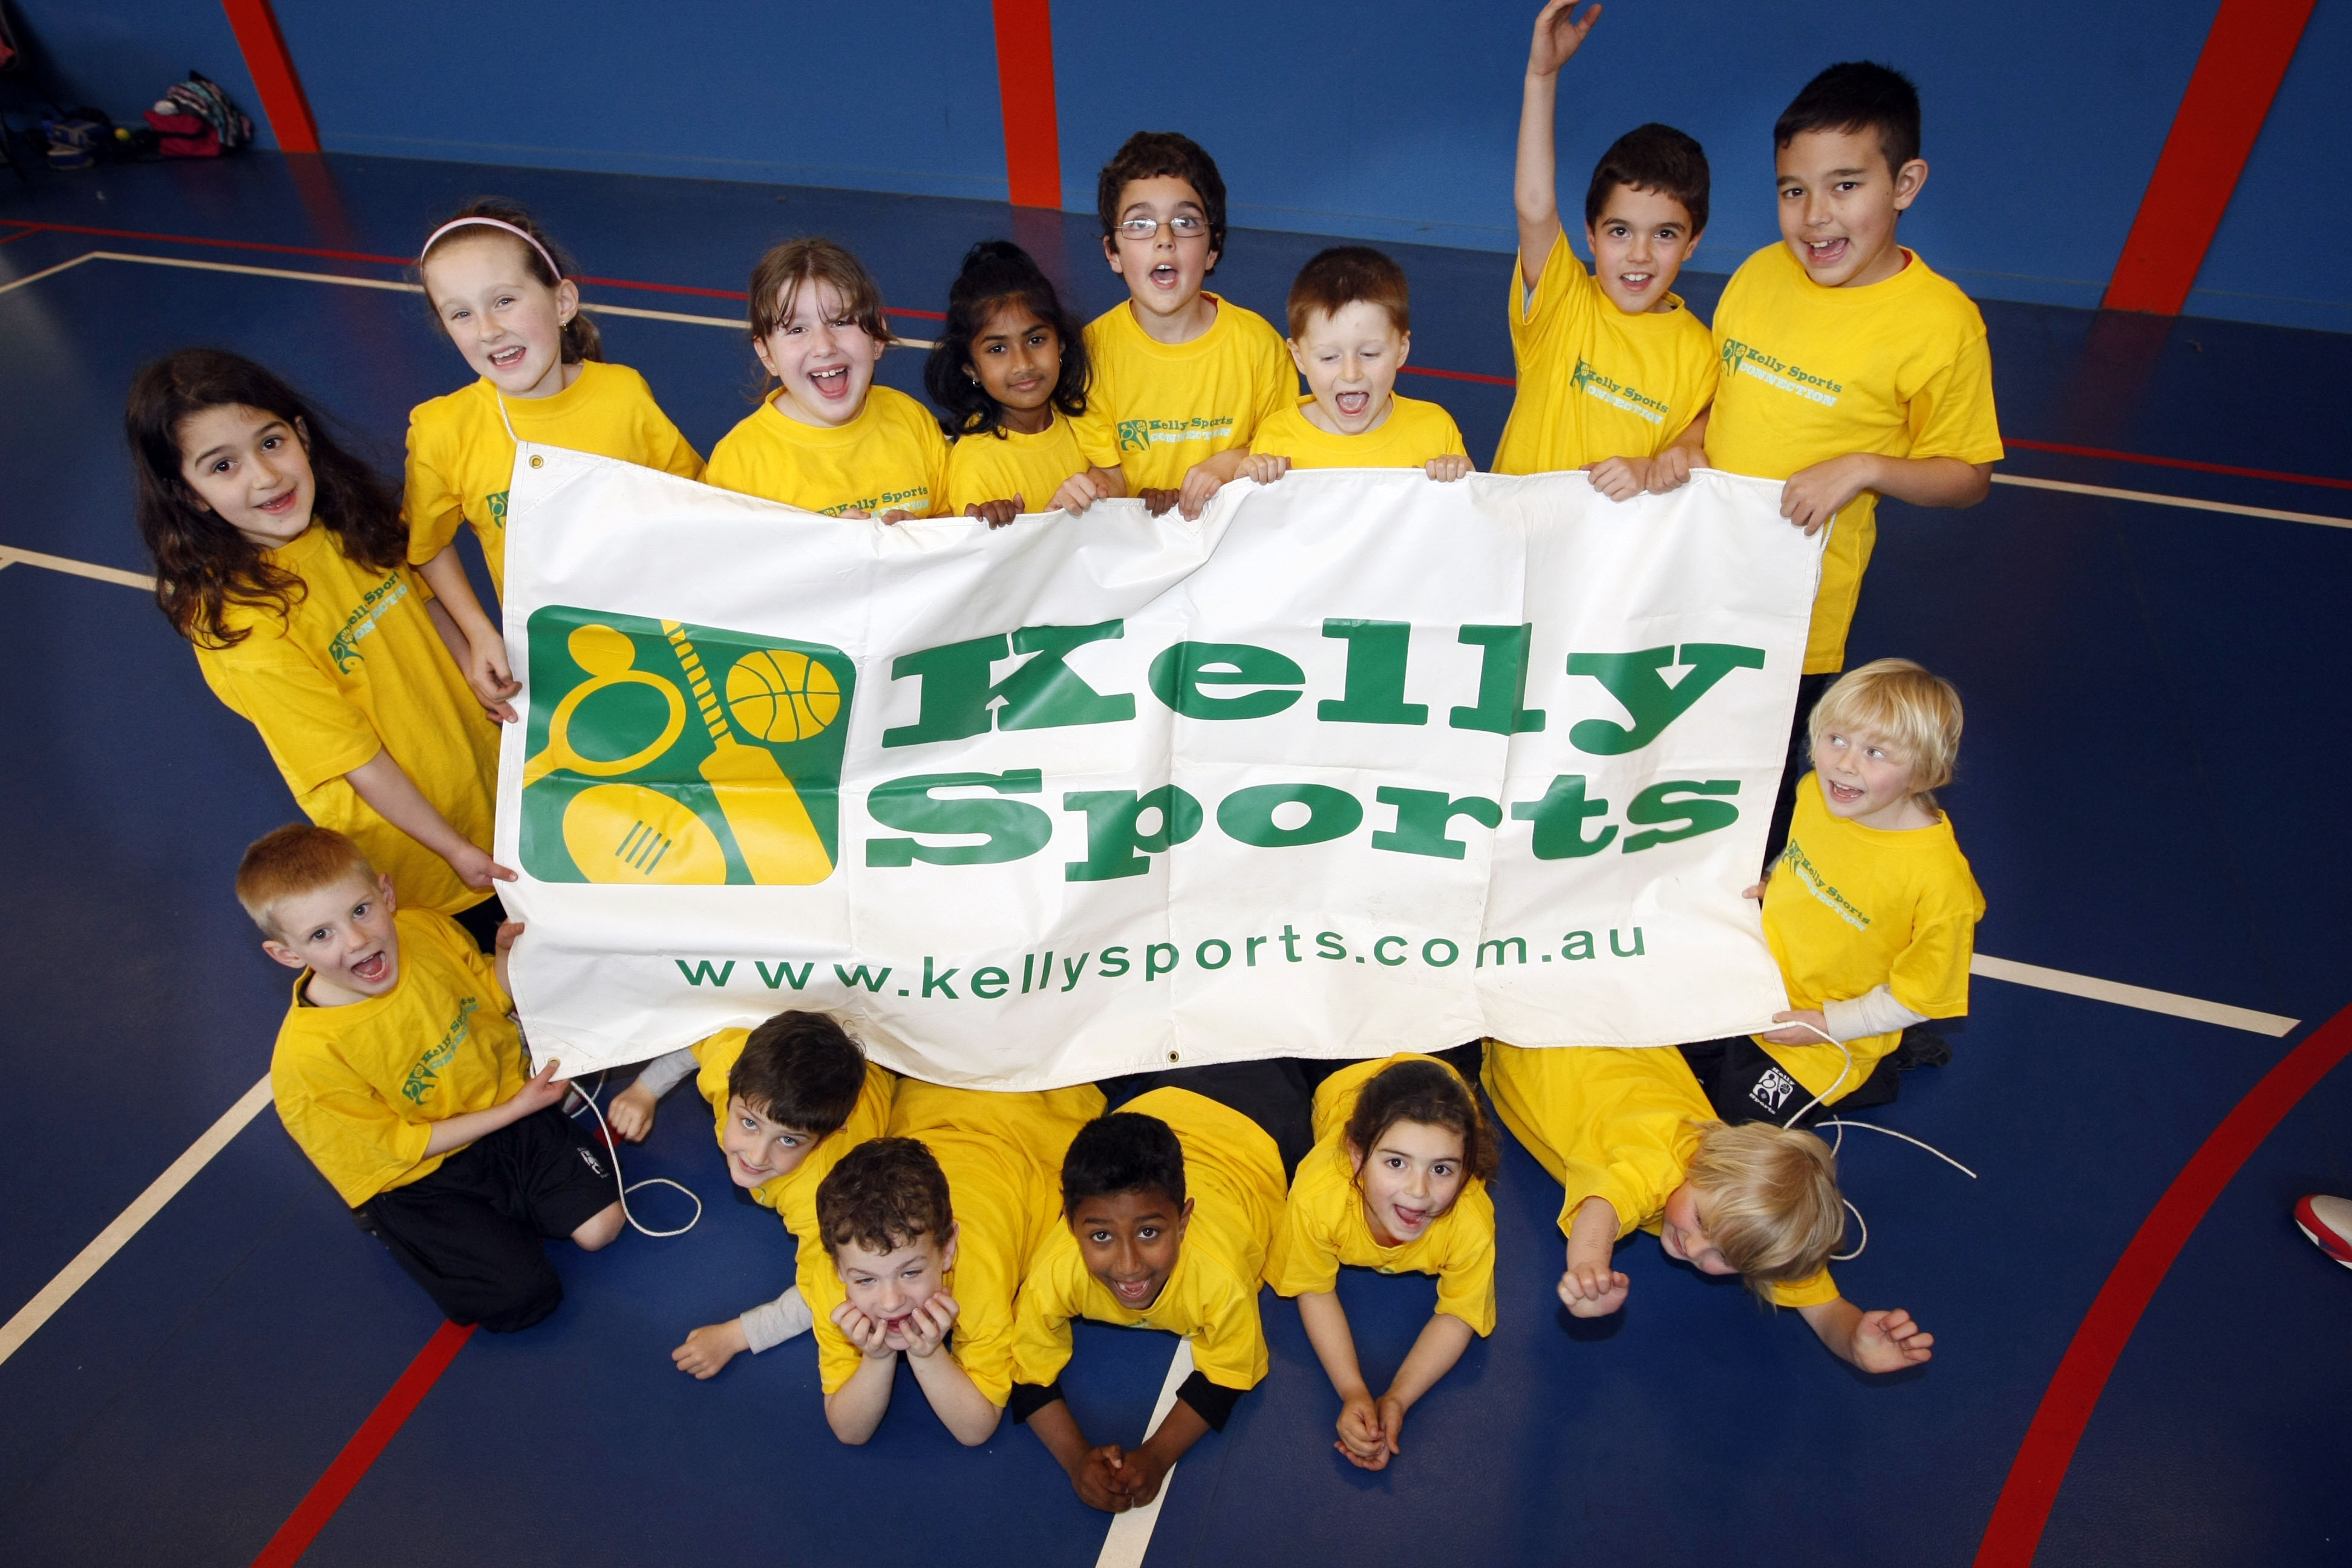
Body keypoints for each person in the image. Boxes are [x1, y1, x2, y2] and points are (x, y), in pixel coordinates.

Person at [1705, 62, 2004, 859]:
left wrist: (1867, 467)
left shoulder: (1941, 325)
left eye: (1845, 186)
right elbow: (1717, 400)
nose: (1815, 217)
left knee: (1761, 784)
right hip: (1697, 577)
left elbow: (1968, 475)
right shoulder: (1760, 273)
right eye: (1793, 190)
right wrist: (1686, 444)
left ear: (1905, 184)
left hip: (1798, 610)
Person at [129, 348, 511, 943]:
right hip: (432, 853)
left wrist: (482, 682)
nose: (265, 476)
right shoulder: (240, 630)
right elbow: (357, 761)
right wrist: (453, 848)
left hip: (493, 783)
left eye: (271, 442)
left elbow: (424, 604)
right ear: (191, 494)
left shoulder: (343, 520)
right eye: (223, 466)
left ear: (301, 436)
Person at [243, 823, 621, 1331]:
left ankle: (506, 1214)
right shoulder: (308, 1062)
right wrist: (515, 1110)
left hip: (502, 1113)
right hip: (422, 1177)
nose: (356, 940)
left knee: (601, 1229)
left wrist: (505, 957)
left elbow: (488, 995)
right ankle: (403, 1227)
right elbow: (403, 1147)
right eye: (320, 935)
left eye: (360, 910)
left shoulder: (422, 931)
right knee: (521, 1300)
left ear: (386, 894)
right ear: (287, 955)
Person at [406, 198, 704, 718]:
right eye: (461, 314)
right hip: (553, 670)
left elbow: (697, 503)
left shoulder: (624, 395)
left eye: (504, 300)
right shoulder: (442, 430)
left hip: (668, 644)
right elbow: (425, 546)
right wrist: (478, 633)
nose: (487, 330)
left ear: (562, 302)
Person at [1483, 1039, 1933, 1372]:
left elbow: (1824, 1307)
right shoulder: (1653, 1165)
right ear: (1702, 1162)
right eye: (1702, 1222)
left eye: (1725, 1257)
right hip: (1527, 1032)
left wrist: (1853, 1342)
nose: (1695, 1248)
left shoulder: (1740, 1207)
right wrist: (1589, 1268)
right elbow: (1601, 1209)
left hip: (1601, 1032)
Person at [1680, 658, 1982, 1120]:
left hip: (1828, 1027)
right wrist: (1776, 879)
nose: (1845, 764)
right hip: (1761, 978)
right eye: (1836, 739)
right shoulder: (1817, 794)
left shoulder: (1938, 882)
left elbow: (1918, 995)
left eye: (1875, 752)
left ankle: (1882, 1063)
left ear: (1922, 772)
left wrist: (1829, 1025)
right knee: (1668, 1051)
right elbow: (1802, 849)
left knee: (1738, 1119)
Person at [1010, 1067, 1296, 1513]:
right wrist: (1075, 1460)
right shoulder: (1055, 1271)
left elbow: (1229, 1372)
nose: (1129, 1266)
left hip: (1261, 1123)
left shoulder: (1219, 1279)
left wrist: (1158, 1455)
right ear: (1070, 1224)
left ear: (1183, 1221)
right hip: (1162, 1097)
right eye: (1101, 1236)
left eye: (1149, 1233)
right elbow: (1027, 1371)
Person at [1494, 1, 1717, 497]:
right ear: (1591, 236)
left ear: (1693, 242)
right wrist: (1542, 75)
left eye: (1664, 234)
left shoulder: (1703, 354)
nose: (1639, 254)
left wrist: (1647, 468)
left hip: (1616, 547)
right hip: (1516, 535)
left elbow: (1687, 462)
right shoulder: (1563, 302)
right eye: (1620, 232)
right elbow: (1534, 205)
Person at [803, 1082, 1104, 1444]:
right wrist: (877, 1358)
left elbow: (975, 1429)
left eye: (911, 1272)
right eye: (866, 1280)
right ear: (837, 1268)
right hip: (937, 1086)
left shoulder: (980, 1269)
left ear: (948, 1249)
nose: (891, 1302)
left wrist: (928, 1354)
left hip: (1045, 1097)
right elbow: (849, 1431)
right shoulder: (831, 1275)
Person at [601, 1011, 896, 1379]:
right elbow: (700, 1045)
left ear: (827, 1137)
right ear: (730, 1080)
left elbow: (826, 1286)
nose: (756, 1157)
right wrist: (645, 1089)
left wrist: (736, 1336)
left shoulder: (827, 1194)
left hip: (886, 1063)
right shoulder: (731, 1059)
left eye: (788, 1140)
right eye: (749, 1123)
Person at [1264, 1055, 1497, 1471]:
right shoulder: (1319, 1198)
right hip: (1344, 1064)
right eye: (1396, 1163)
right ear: (1357, 1157)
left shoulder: (1470, 1220)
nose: (1418, 1192)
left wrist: (1398, 1398)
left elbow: (1459, 1313)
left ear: (1465, 1170)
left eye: (1441, 1169)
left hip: (1442, 1064)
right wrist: (1352, 1389)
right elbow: (1313, 1287)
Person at [1072, 131, 1295, 519]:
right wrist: (1091, 493)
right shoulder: (1091, 353)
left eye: (1185, 221)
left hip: (1233, 539)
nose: (1164, 239)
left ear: (1213, 249)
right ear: (1113, 252)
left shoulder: (1259, 346)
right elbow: (1108, 475)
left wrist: (1228, 465)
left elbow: (1285, 455)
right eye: (1140, 223)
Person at [704, 237, 948, 521]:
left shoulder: (911, 419)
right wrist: (828, 545)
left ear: (877, 338)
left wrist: (920, 534)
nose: (824, 347)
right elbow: (729, 549)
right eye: (796, 330)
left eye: (841, 322)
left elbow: (955, 518)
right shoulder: (741, 462)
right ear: (767, 354)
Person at [927, 240, 1123, 524]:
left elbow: (1117, 497)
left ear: (1061, 343)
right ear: (971, 369)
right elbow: (987, 553)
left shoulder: (1085, 417)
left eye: (1036, 340)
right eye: (997, 349)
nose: (1023, 364)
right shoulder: (977, 463)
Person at [1238, 247, 1474, 483]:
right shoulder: (1276, 438)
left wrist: (1463, 482)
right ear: (1299, 357)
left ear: (1402, 349)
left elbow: (1468, 505)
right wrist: (1247, 485)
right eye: (1329, 357)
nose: (1351, 374)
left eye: (1370, 354)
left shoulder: (1434, 430)